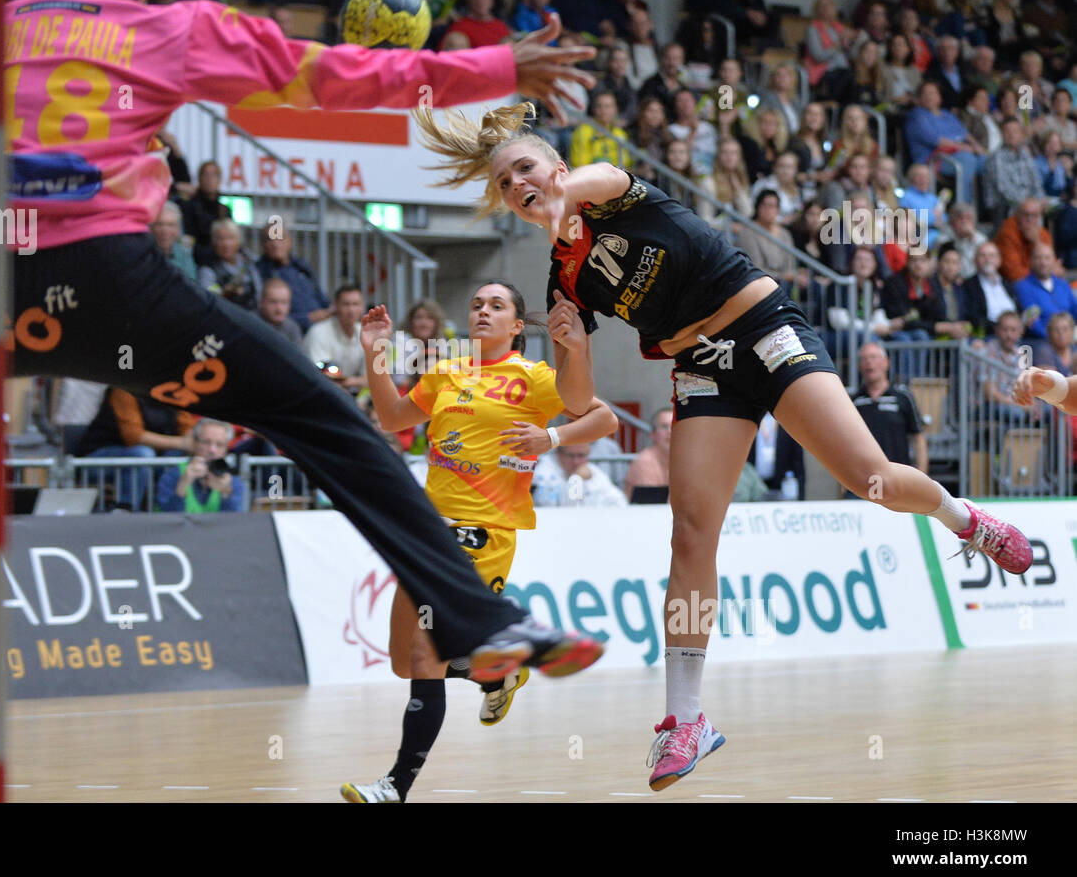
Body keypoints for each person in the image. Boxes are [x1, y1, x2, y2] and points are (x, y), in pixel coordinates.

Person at [0, 0, 610, 683]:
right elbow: (331, 75)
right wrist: (494, 66)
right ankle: (477, 622)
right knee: (324, 420)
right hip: (114, 296)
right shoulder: (166, 25)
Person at [413, 98, 1034, 790]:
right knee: (690, 534)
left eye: (524, 168)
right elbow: (578, 396)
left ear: (556, 166)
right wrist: (572, 344)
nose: (517, 185)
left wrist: (557, 189)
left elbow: (589, 180)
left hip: (761, 325)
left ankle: (966, 518)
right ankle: (687, 719)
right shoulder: (564, 278)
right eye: (504, 183)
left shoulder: (611, 191)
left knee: (872, 479)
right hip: (701, 366)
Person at [340, 282, 617, 803]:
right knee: (406, 662)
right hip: (426, 531)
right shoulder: (447, 371)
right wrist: (375, 353)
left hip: (483, 531)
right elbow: (392, 419)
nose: (483, 311)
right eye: (475, 304)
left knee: (425, 658)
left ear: (516, 326)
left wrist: (550, 438)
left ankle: (395, 786)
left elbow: (603, 417)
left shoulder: (534, 379)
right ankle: (497, 676)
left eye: (496, 306)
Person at [850, 342, 927, 472]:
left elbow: (918, 439)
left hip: (898, 477)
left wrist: (923, 476)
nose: (869, 362)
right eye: (864, 359)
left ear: (886, 363)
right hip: (863, 479)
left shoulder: (903, 396)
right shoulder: (854, 400)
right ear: (859, 366)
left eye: (873, 357)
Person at [156, 417, 246, 512]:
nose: (212, 450)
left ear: (226, 449)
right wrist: (184, 483)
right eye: (206, 442)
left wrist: (225, 493)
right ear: (194, 443)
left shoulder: (233, 480)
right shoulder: (173, 474)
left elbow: (234, 522)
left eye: (219, 444)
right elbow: (167, 520)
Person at [531, 439, 628, 507]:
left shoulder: (592, 470)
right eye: (571, 455)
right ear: (558, 453)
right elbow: (557, 506)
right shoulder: (543, 472)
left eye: (581, 455)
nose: (576, 461)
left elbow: (618, 501)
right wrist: (576, 479)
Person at [1013, 242, 1077, 340]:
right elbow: (1034, 324)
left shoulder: (1062, 284)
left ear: (1054, 261)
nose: (1043, 263)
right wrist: (1058, 339)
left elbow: (1075, 310)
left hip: (1070, 338)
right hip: (1043, 342)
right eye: (1039, 258)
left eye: (1047, 258)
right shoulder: (1023, 286)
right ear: (1031, 260)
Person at [198, 218, 262, 309]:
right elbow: (207, 299)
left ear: (239, 241)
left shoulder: (249, 263)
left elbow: (259, 293)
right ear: (214, 242)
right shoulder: (208, 269)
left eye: (231, 238)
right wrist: (223, 292)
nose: (226, 244)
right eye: (221, 239)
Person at [963, 240, 1019, 335]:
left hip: (1015, 335)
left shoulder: (1008, 284)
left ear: (999, 260)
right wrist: (1001, 328)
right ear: (975, 261)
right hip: (988, 336)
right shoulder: (968, 285)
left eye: (992, 256)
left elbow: (1018, 309)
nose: (987, 259)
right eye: (983, 255)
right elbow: (974, 317)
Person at [570, 89, 632, 169]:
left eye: (608, 106)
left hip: (615, 177)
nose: (604, 111)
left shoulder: (620, 134)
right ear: (594, 109)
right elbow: (580, 164)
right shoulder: (582, 132)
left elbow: (625, 163)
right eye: (599, 106)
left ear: (615, 109)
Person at [623, 406, 672, 493]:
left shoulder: (687, 459)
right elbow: (653, 501)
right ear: (653, 434)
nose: (669, 432)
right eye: (664, 427)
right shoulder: (644, 461)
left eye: (673, 426)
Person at [152, 201, 197, 282]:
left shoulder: (184, 253)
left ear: (178, 229)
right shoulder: (143, 255)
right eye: (159, 224)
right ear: (151, 228)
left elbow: (192, 284)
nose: (165, 231)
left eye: (171, 225)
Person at [256, 277, 303, 347]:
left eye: (284, 302)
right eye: (273, 302)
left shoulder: (292, 328)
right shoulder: (249, 325)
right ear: (261, 302)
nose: (279, 309)